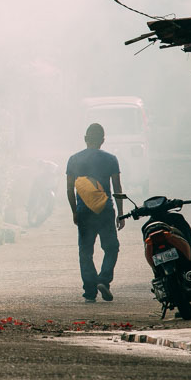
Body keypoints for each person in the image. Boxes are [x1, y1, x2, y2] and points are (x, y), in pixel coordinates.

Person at [65, 123, 125, 303]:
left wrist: (74, 211)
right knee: (111, 247)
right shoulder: (111, 159)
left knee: (85, 252)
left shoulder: (74, 159)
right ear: (103, 141)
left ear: (85, 139)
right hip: (105, 210)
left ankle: (90, 291)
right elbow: (117, 187)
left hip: (84, 211)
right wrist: (120, 213)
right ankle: (104, 280)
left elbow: (69, 189)